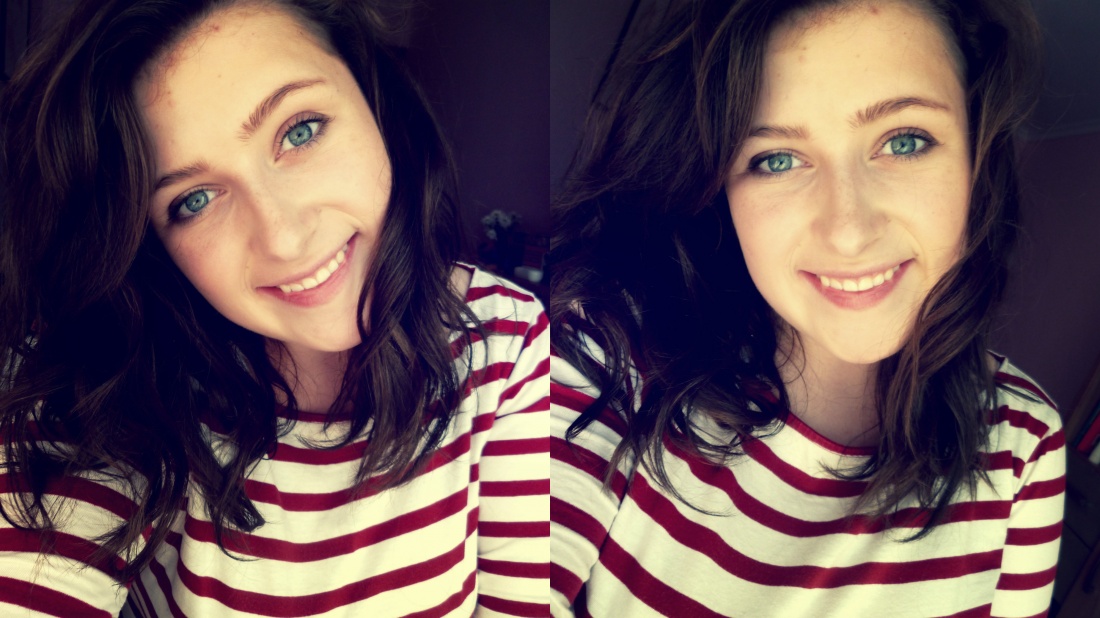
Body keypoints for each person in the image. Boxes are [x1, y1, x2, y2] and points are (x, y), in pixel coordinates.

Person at [0, 1, 549, 616]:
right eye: (195, 199)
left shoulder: (506, 339)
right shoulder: (121, 390)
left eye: (300, 131)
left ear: (374, 97)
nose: (284, 239)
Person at [549, 0, 1065, 616]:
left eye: (904, 141)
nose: (848, 232)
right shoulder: (614, 355)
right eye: (776, 159)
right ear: (719, 190)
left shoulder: (1024, 443)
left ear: (976, 158)